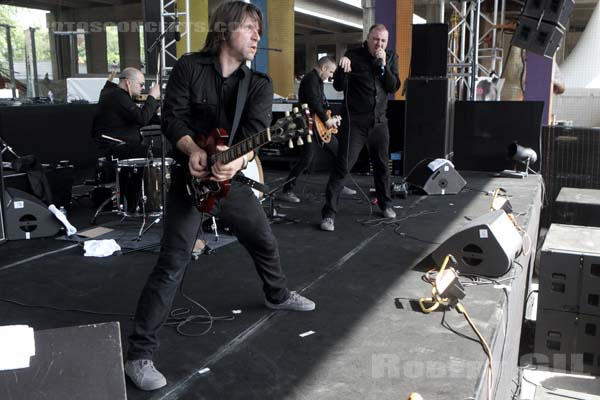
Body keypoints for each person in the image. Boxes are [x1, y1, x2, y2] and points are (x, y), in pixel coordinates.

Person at [124, 1, 315, 391]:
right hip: (189, 180)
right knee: (173, 262)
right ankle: (139, 356)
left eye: (259, 30)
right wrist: (192, 149)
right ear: (225, 29)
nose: (257, 36)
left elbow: (257, 129)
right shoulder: (189, 67)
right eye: (249, 27)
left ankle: (277, 294)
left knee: (262, 239)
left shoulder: (259, 84)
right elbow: (170, 117)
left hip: (232, 182)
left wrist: (237, 159)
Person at [320, 24, 400, 232]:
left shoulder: (390, 57)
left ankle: (386, 204)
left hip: (380, 123)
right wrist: (341, 68)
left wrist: (384, 65)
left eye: (383, 41)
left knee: (382, 166)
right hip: (356, 123)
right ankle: (329, 214)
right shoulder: (353, 55)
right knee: (342, 167)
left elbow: (393, 87)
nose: (379, 44)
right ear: (368, 38)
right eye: (376, 39)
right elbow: (338, 86)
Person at [277, 56, 356, 203]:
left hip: (318, 126)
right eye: (331, 72)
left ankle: (338, 184)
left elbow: (320, 104)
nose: (331, 76)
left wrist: (331, 118)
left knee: (338, 152)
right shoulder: (310, 79)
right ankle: (287, 190)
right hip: (308, 126)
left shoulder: (317, 81)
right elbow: (314, 103)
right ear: (324, 68)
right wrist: (327, 120)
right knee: (306, 159)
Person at [92, 67, 161, 159]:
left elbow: (137, 117)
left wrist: (160, 116)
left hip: (123, 147)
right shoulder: (117, 96)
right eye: (141, 84)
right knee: (162, 155)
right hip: (117, 148)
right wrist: (152, 97)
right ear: (128, 82)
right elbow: (142, 119)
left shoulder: (117, 94)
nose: (143, 88)